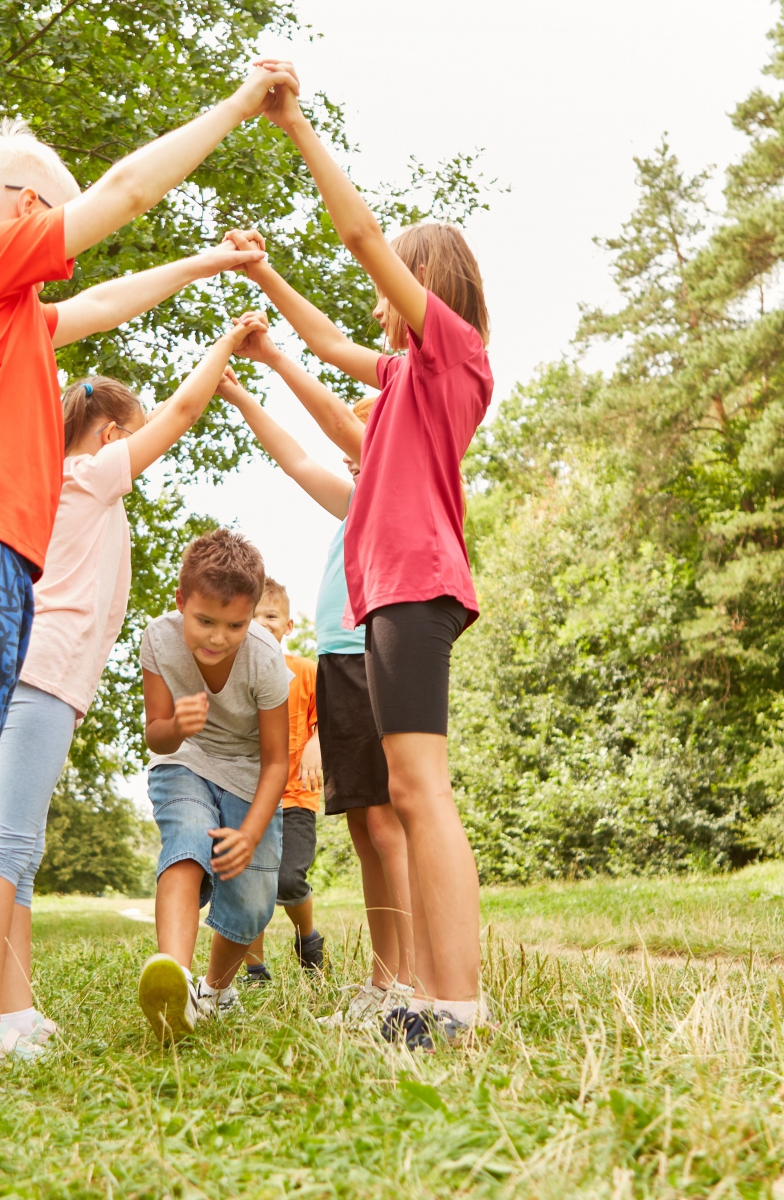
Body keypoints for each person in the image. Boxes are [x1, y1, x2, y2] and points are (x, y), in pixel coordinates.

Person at [0, 58, 303, 1103]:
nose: (70, 228)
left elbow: (112, 296)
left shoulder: (8, 323)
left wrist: (210, 264)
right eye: (60, 213)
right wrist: (235, 104)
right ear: (27, 210)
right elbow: (126, 194)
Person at [225, 64, 493, 1052]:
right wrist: (262, 282)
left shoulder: (453, 356)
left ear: (425, 287)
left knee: (422, 792)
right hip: (390, 600)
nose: (378, 295)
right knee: (410, 795)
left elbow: (361, 238)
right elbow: (329, 345)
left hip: (419, 588)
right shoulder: (401, 385)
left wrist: (295, 126)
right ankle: (427, 989)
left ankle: (454, 1001)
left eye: (395, 283)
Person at [0, 317, 268, 1066]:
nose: (137, 450)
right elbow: (179, 417)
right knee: (8, 843)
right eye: (127, 436)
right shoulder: (87, 476)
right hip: (46, 671)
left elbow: (159, 418)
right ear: (104, 436)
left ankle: (16, 1009)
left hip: (43, 675)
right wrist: (222, 343)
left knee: (21, 849)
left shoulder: (63, 481)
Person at [217, 366, 414, 1027]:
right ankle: (383, 980)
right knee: (364, 828)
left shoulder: (395, 490)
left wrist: (275, 366)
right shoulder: (358, 498)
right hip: (338, 663)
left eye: (357, 440)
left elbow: (323, 441)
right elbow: (296, 458)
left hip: (367, 656)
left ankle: (406, 977)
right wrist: (241, 395)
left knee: (386, 826)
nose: (345, 457)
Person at [137, 529, 291, 1041]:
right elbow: (156, 736)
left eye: (235, 625)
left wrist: (249, 833)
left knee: (251, 899)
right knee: (186, 840)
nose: (217, 637)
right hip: (185, 759)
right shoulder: (158, 639)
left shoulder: (267, 660)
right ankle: (174, 979)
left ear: (251, 617)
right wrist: (177, 726)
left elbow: (275, 762)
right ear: (181, 602)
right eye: (204, 621)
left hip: (251, 773)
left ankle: (214, 992)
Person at [241, 577, 325, 981]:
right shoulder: (238, 673)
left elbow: (331, 717)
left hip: (295, 799)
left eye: (271, 615)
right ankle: (254, 969)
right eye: (255, 616)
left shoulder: (307, 672)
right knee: (250, 884)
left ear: (288, 625)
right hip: (249, 798)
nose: (263, 622)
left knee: (288, 879)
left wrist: (315, 742)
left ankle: (308, 938)